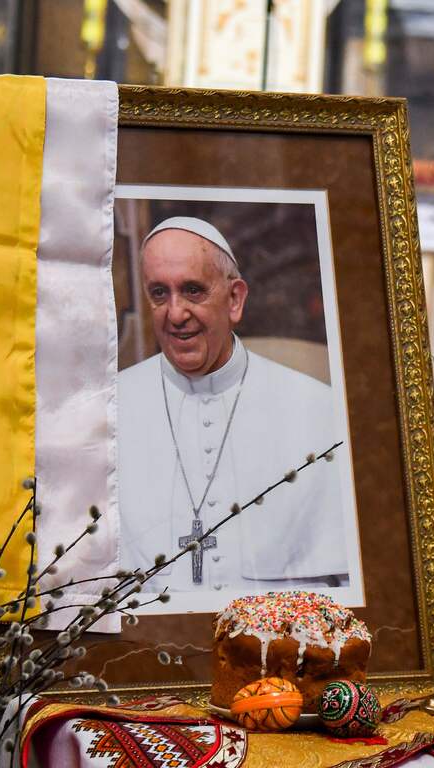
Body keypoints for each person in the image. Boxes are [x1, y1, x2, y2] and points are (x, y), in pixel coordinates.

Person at [117, 216, 350, 592]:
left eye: (193, 290)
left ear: (235, 299)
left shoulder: (320, 410)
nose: (175, 314)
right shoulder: (108, 410)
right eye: (159, 293)